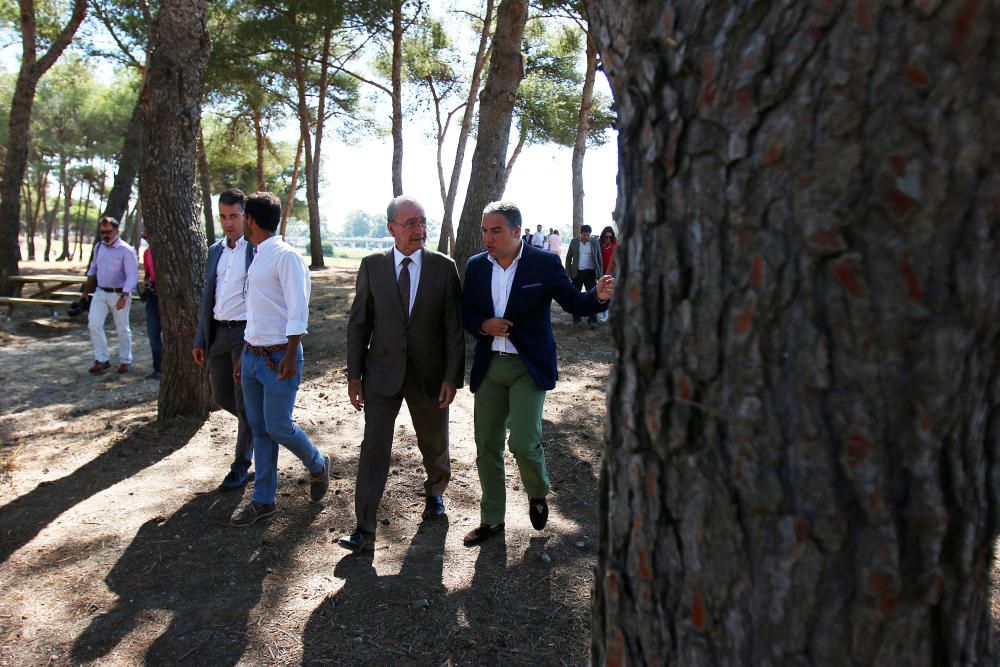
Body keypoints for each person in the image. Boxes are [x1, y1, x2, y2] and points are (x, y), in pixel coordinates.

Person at [460, 201, 613, 546]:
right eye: (484, 230)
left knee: (523, 442)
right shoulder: (477, 266)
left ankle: (537, 492)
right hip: (489, 366)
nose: (487, 238)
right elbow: (466, 310)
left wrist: (598, 297)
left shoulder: (543, 263)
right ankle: (492, 519)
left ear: (517, 231)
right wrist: (483, 325)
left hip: (527, 366)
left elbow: (573, 302)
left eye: (496, 230)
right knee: (486, 445)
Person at [339, 195, 465, 552]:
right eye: (411, 223)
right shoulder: (372, 266)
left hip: (429, 374)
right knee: (374, 447)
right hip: (381, 374)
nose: (419, 229)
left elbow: (454, 329)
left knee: (434, 442)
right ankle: (364, 527)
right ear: (391, 227)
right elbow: (359, 324)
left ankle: (435, 492)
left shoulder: (444, 267)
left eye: (423, 222)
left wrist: (452, 377)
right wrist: (354, 375)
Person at [230, 192, 330, 527]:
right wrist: (245, 354)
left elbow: (298, 310)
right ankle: (263, 501)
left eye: (243, 218)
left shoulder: (286, 257)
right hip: (253, 355)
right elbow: (256, 310)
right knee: (260, 429)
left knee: (278, 426)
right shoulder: (257, 255)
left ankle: (317, 464)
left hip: (278, 357)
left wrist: (290, 354)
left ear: (251, 220)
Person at [192, 188, 257, 491]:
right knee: (220, 397)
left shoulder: (254, 250)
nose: (228, 223)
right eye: (223, 217)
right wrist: (200, 338)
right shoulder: (215, 250)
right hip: (217, 332)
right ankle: (261, 427)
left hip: (244, 334)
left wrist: (251, 341)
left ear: (246, 216)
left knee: (244, 402)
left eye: (234, 216)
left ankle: (241, 467)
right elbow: (209, 296)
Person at [81, 216, 138, 374]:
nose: (105, 235)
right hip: (101, 292)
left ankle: (125, 360)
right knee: (94, 324)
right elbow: (93, 269)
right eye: (102, 232)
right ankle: (101, 359)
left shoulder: (126, 250)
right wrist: (85, 292)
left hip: (119, 294)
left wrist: (124, 297)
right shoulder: (99, 247)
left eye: (108, 232)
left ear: (117, 230)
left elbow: (132, 276)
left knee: (122, 328)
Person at [564, 224, 604, 328]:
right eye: (585, 235)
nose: (587, 237)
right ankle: (576, 319)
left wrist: (599, 275)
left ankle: (593, 320)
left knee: (593, 297)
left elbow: (599, 258)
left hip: (590, 273)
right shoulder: (574, 242)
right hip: (577, 273)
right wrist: (568, 273)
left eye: (588, 235)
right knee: (575, 296)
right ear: (580, 233)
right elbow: (568, 258)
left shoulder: (594, 242)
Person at [140, 234, 161, 380]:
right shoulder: (147, 252)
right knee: (153, 333)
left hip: (169, 297)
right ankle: (158, 368)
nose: (148, 240)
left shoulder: (169, 251)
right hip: (153, 297)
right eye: (146, 238)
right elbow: (147, 274)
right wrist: (146, 283)